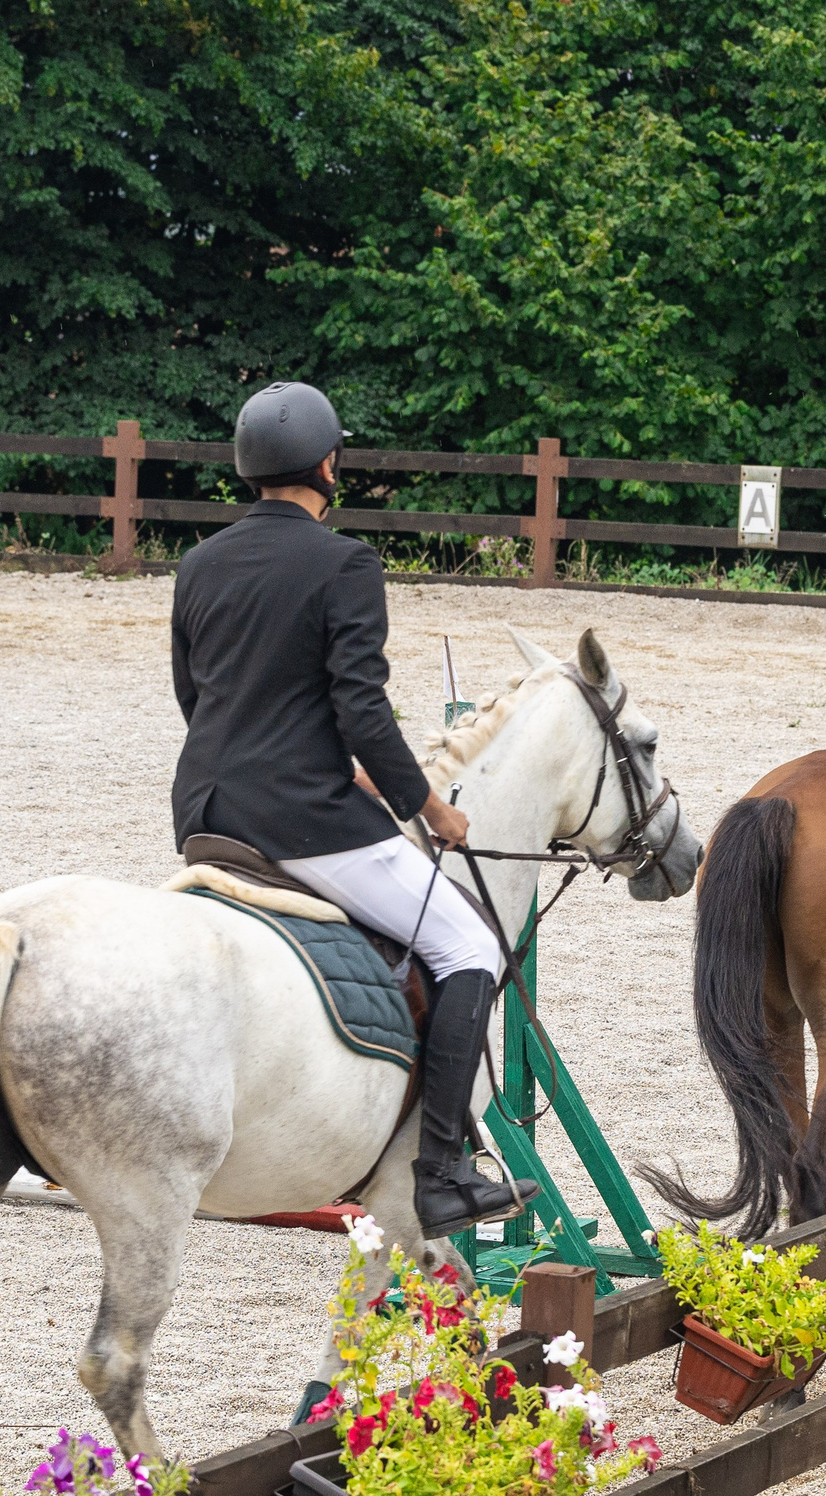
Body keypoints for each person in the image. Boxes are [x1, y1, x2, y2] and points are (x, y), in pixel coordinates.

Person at [171, 380, 535, 1237]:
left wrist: (322, 764)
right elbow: (361, 709)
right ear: (330, 464)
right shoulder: (344, 564)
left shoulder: (199, 563)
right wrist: (425, 805)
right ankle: (440, 1168)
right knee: (471, 941)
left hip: (207, 810)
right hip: (304, 823)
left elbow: (202, 699)